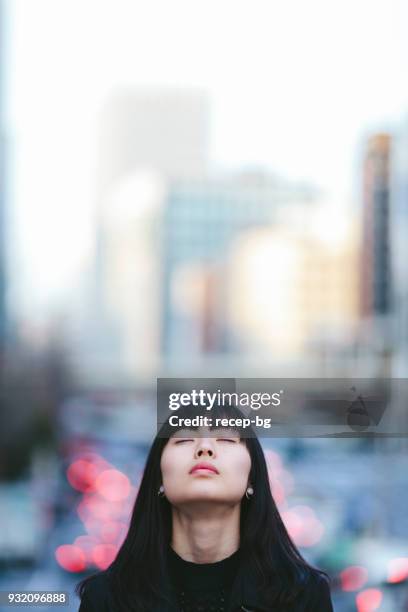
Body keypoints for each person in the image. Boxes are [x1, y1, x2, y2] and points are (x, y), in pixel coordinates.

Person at [76, 403, 333, 611]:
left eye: (226, 439)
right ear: (159, 479)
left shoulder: (303, 597)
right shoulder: (107, 600)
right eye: (185, 439)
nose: (205, 448)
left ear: (252, 479)